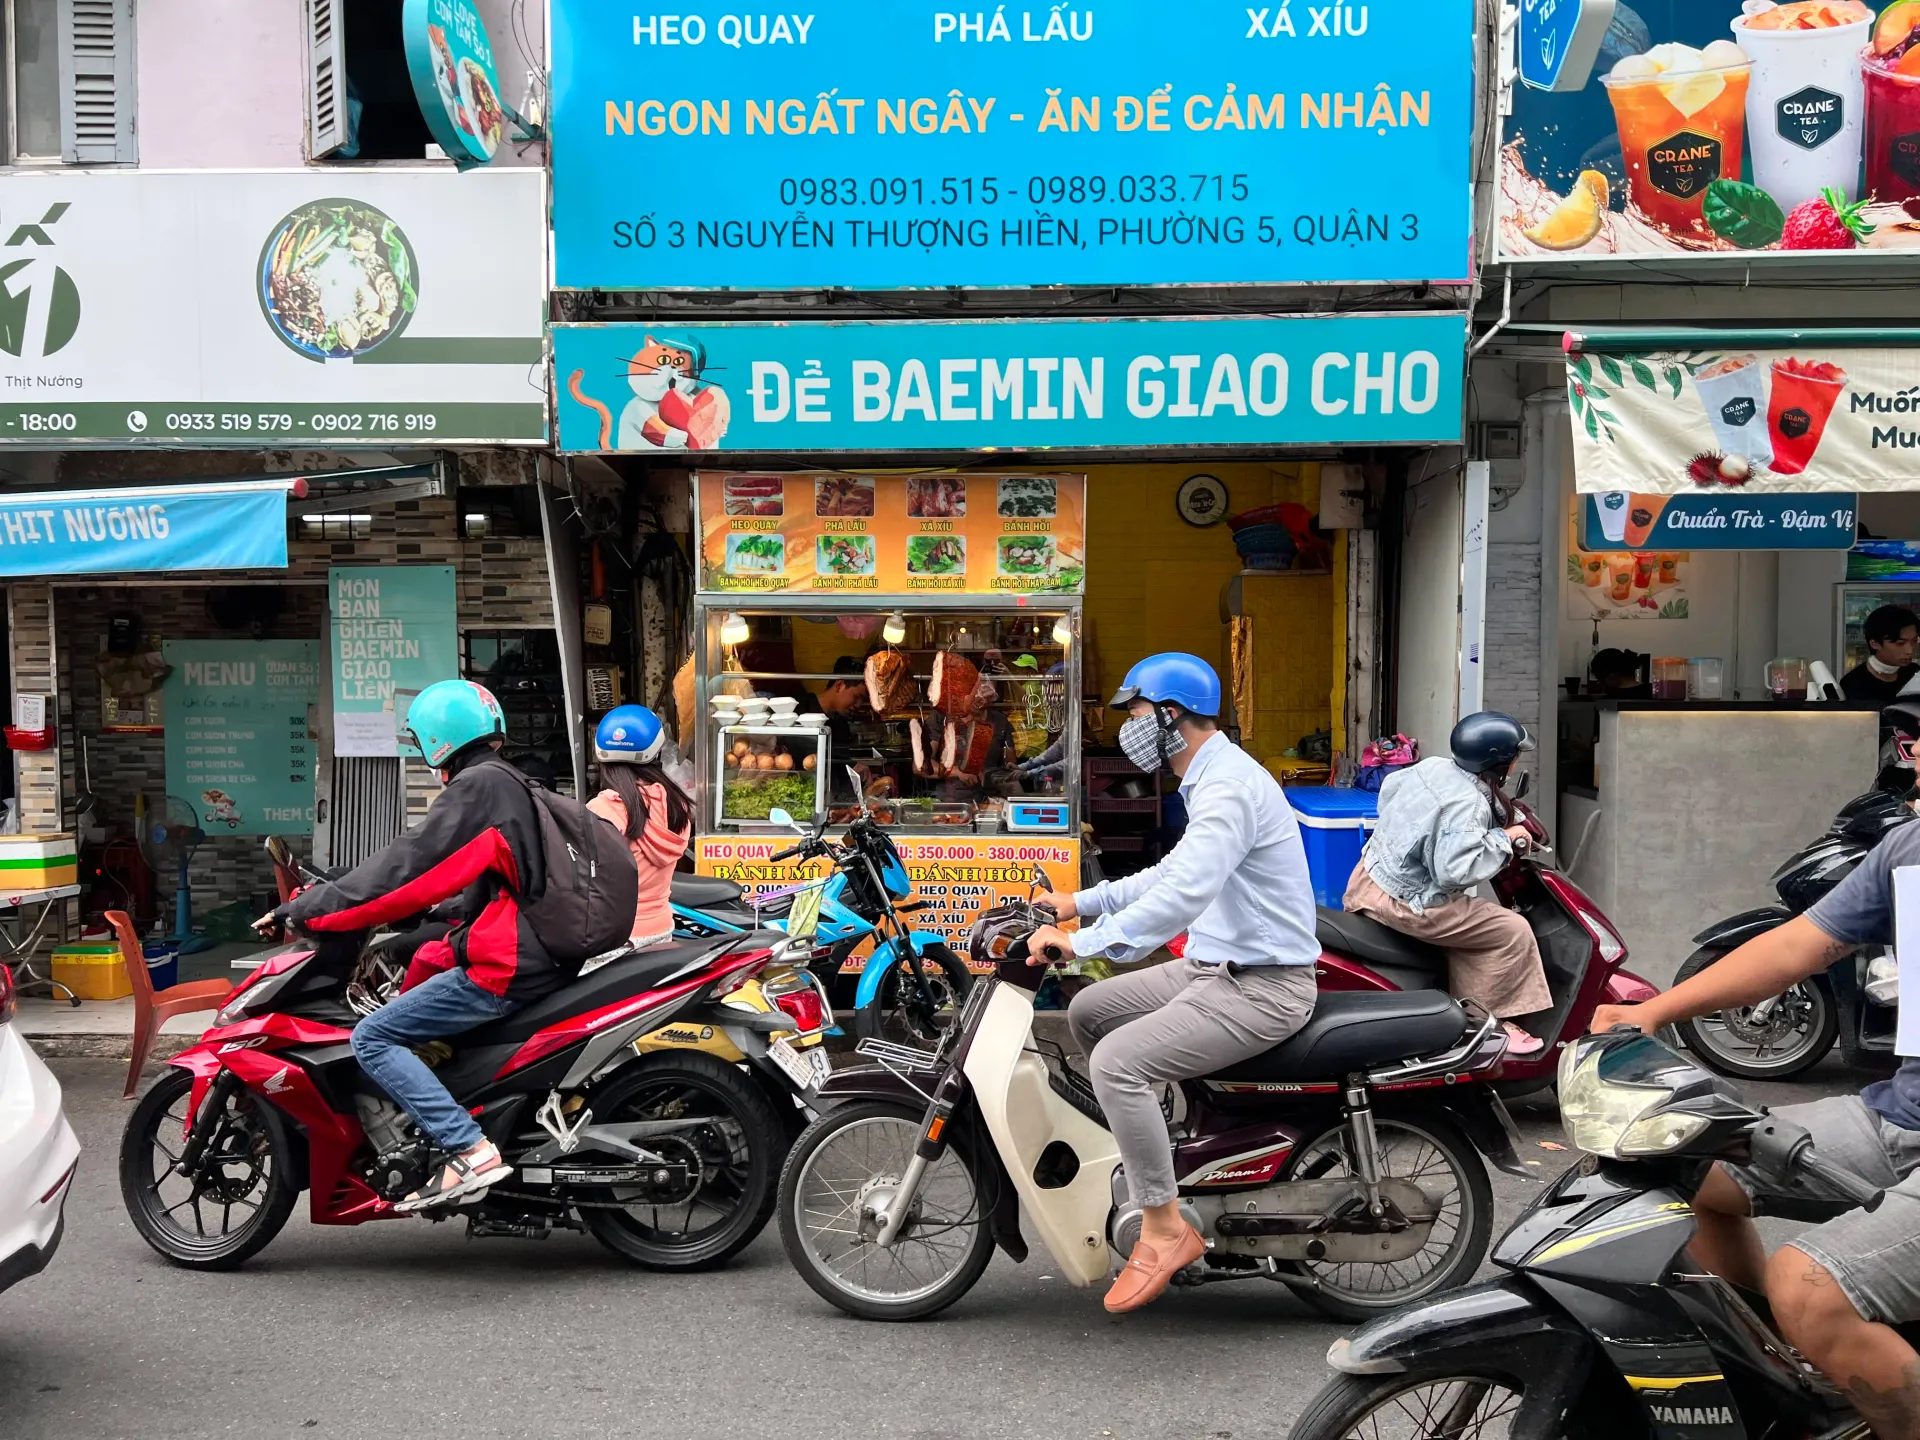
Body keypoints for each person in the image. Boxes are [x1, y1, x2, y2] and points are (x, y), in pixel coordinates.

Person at [1591, 819, 1920, 1440]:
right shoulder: (1909, 847)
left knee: (1807, 1285)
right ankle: (1787, 1366)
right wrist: (1653, 1011)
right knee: (1685, 1161)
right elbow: (1795, 945)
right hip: (1900, 1116)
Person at [1027, 652, 1320, 1315]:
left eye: (1133, 713)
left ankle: (1164, 1227)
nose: (1127, 727)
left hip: (1262, 986)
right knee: (1094, 1010)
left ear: (1169, 715)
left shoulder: (1229, 788)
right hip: (1213, 967)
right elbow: (1168, 873)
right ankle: (1158, 1151)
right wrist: (1082, 903)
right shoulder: (1207, 779)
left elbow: (1184, 892)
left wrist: (1082, 942)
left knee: (1118, 1064)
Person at [282, 679, 558, 1212]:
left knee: (372, 1038)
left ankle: (468, 1149)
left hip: (505, 966)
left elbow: (408, 867)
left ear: (438, 738)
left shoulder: (477, 787)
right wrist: (430, 909)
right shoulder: (509, 780)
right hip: (534, 951)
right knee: (420, 970)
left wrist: (309, 909)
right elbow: (477, 882)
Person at [1342, 711, 1552, 1056]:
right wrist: (1503, 839)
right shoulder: (1467, 803)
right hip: (1407, 902)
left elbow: (1389, 795)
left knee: (1473, 923)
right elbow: (1454, 871)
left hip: (1370, 878)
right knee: (1510, 930)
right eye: (1515, 756)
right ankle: (1492, 1025)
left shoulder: (1434, 767)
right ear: (1500, 762)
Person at [585, 704, 693, 948]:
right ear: (656, 752)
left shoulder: (604, 809)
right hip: (662, 930)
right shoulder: (676, 804)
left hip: (617, 938)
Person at [1841, 604, 1920, 702]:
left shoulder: (1915, 673)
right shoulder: (1853, 683)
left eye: (1914, 641)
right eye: (1900, 643)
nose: (1910, 650)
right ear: (1875, 644)